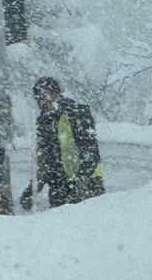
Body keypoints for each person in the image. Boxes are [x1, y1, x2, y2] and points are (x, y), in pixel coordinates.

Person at [25, 76, 105, 209]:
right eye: (37, 98)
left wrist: (80, 181)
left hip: (87, 185)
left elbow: (90, 150)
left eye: (44, 97)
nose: (41, 102)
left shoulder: (76, 113)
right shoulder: (43, 122)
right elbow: (44, 159)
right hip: (58, 186)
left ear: (56, 94)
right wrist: (34, 188)